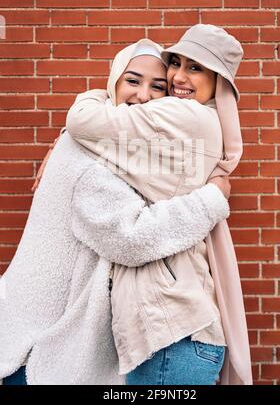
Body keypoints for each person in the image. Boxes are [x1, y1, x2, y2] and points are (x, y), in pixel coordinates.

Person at [0, 39, 230, 385]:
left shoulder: (116, 146)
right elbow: (132, 238)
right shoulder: (89, 160)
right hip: (39, 349)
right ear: (113, 83)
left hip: (46, 339)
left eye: (159, 87)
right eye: (133, 81)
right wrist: (212, 199)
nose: (144, 95)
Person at [65, 25, 252, 385]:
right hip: (176, 335)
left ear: (220, 83)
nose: (179, 77)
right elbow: (104, 145)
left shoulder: (185, 115)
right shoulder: (190, 119)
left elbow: (82, 121)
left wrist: (86, 116)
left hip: (173, 336)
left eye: (196, 69)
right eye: (176, 63)